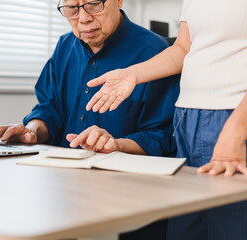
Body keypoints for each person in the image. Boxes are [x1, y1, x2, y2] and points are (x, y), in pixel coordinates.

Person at [0, 0, 179, 239]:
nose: (83, 19)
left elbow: (163, 137)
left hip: (129, 196)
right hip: (62, 187)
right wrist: (32, 130)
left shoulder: (155, 53)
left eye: (93, 4)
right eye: (71, 8)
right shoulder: (64, 46)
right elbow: (49, 109)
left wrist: (116, 145)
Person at [85, 0, 247, 239]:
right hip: (187, 120)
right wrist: (132, 74)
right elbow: (183, 48)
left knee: (230, 229)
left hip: (234, 118)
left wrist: (234, 131)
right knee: (186, 230)